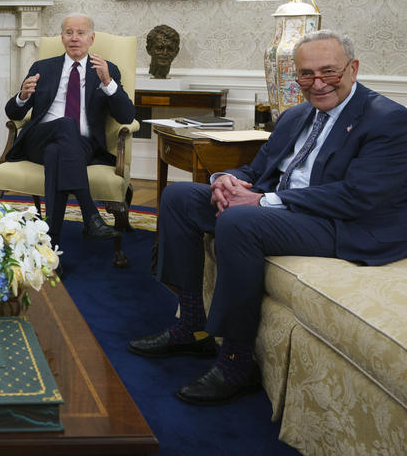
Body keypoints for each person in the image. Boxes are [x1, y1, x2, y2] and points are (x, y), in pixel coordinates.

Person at [129, 30, 407, 405]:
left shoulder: (387, 119)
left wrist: (261, 201)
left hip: (346, 223)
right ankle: (191, 326)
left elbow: (357, 197)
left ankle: (237, 361)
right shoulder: (296, 115)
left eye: (330, 72)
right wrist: (228, 180)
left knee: (239, 221)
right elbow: (259, 169)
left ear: (353, 69)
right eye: (306, 74)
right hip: (290, 208)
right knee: (180, 196)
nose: (318, 83)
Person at [5, 14, 136, 249]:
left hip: (82, 145)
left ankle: (51, 245)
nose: (74, 38)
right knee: (65, 124)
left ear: (91, 38)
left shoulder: (107, 70)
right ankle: (90, 216)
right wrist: (22, 97)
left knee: (57, 154)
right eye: (68, 33)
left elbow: (126, 116)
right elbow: (13, 113)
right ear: (62, 37)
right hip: (39, 139)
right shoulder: (42, 68)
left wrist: (108, 84)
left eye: (81, 33)